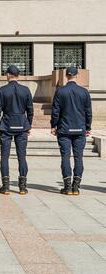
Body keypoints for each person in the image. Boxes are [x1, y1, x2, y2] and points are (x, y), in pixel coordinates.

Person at [51, 66, 91, 196]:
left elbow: (55, 111)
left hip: (64, 129)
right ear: (76, 75)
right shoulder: (84, 92)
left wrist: (53, 125)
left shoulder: (60, 91)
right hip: (80, 128)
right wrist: (88, 127)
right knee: (79, 157)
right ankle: (76, 187)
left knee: (65, 157)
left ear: (66, 76)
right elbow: (88, 112)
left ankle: (67, 186)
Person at [0, 65, 33, 195]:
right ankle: (22, 187)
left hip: (6, 125)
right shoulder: (25, 90)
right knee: (22, 156)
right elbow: (30, 110)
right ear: (18, 75)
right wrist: (29, 125)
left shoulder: (3, 90)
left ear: (8, 75)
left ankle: (5, 186)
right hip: (22, 125)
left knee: (4, 156)